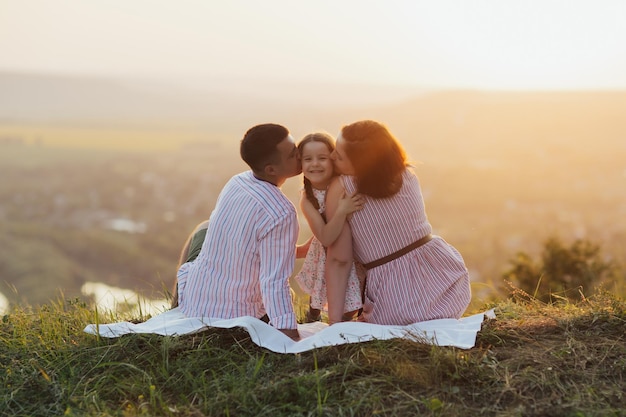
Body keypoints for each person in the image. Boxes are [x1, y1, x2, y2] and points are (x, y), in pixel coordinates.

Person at [324, 120, 471, 325]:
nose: (331, 156)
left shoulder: (342, 188)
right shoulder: (407, 174)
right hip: (445, 280)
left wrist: (334, 321)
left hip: (394, 297)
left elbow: (339, 260)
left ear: (359, 164)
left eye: (338, 156)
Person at [173, 123, 302, 340]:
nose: (300, 155)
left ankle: (176, 303)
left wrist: (297, 250)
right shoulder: (282, 212)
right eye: (293, 154)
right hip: (233, 315)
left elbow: (246, 244)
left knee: (204, 227)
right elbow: (274, 279)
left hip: (195, 299)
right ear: (271, 169)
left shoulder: (238, 181)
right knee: (286, 294)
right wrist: (288, 333)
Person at [294, 133, 365, 323]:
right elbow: (325, 238)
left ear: (333, 159)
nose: (315, 164)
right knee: (319, 288)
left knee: (352, 300)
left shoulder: (345, 183)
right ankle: (313, 318)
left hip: (354, 250)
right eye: (308, 159)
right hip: (325, 251)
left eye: (322, 158)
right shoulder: (307, 199)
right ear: (300, 164)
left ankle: (342, 323)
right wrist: (341, 210)